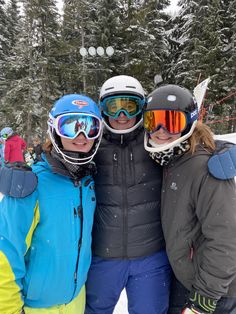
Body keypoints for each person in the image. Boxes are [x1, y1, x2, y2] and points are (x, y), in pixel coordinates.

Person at [0, 94, 103, 314]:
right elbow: (6, 252)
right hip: (35, 307)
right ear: (54, 130)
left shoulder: (88, 180)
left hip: (76, 302)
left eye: (90, 128)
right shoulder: (30, 184)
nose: (81, 136)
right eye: (70, 127)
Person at [143, 84, 236, 314]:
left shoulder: (205, 168)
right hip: (186, 280)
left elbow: (226, 238)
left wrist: (206, 296)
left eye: (172, 122)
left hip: (215, 292)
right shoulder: (171, 160)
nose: (161, 130)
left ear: (190, 123)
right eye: (153, 121)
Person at [85, 75, 172, 314]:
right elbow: (59, 158)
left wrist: (221, 150)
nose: (121, 115)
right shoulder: (90, 145)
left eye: (129, 105)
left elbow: (192, 143)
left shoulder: (157, 140)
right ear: (103, 109)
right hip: (102, 256)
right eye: (114, 107)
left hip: (150, 256)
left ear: (141, 107)